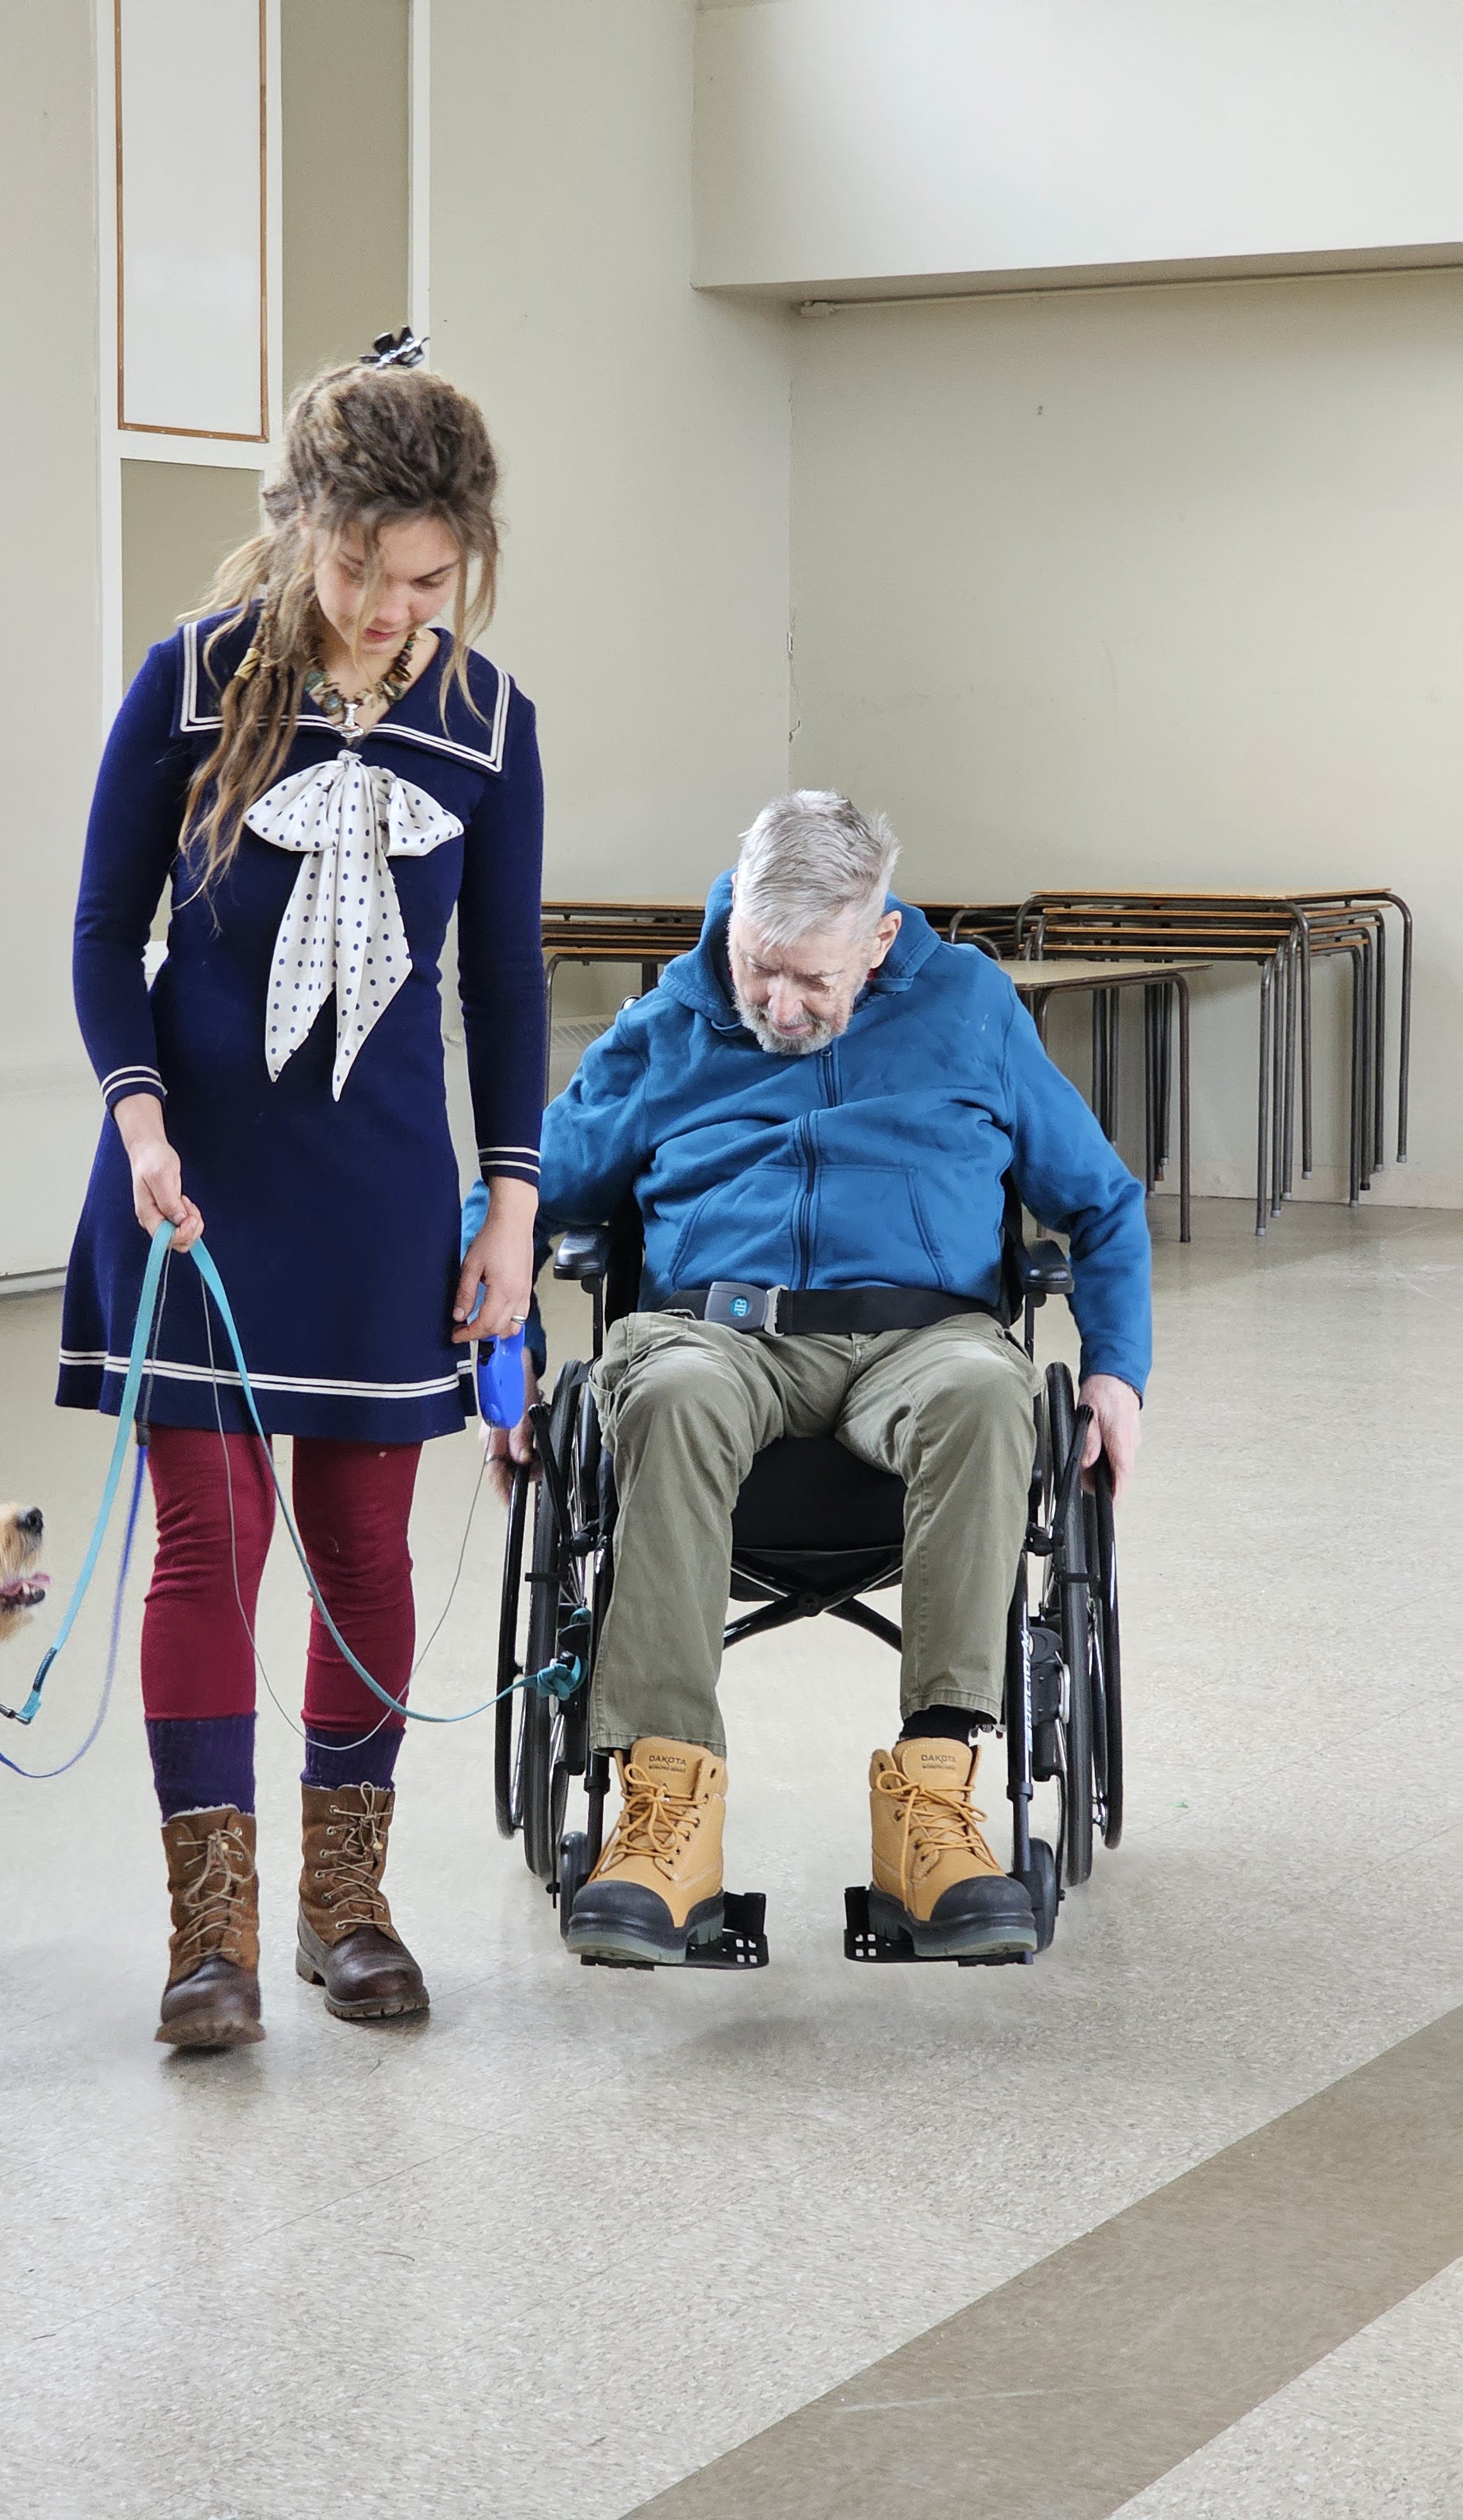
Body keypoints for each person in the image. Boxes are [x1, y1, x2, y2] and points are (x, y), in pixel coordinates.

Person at [60, 353, 544, 2048]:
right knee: (209, 1539)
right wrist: (134, 1121)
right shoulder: (187, 684)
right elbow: (101, 931)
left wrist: (512, 1207)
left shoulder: (490, 722)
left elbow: (502, 987)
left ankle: (351, 1908)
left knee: (356, 1547)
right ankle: (211, 1940)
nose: (390, 610)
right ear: (303, 531)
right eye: (362, 570)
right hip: (192, 1185)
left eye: (428, 581)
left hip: (380, 1196)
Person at [491, 790, 1149, 1967]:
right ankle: (664, 1821)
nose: (779, 1008)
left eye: (812, 981)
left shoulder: (972, 1012)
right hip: (714, 1340)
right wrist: (510, 1365)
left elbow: (1101, 1205)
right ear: (735, 920)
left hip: (923, 1341)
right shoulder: (669, 1024)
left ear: (881, 938)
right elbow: (522, 1196)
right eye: (759, 969)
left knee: (991, 1390)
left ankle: (936, 1812)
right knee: (670, 1391)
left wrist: (1116, 1375)